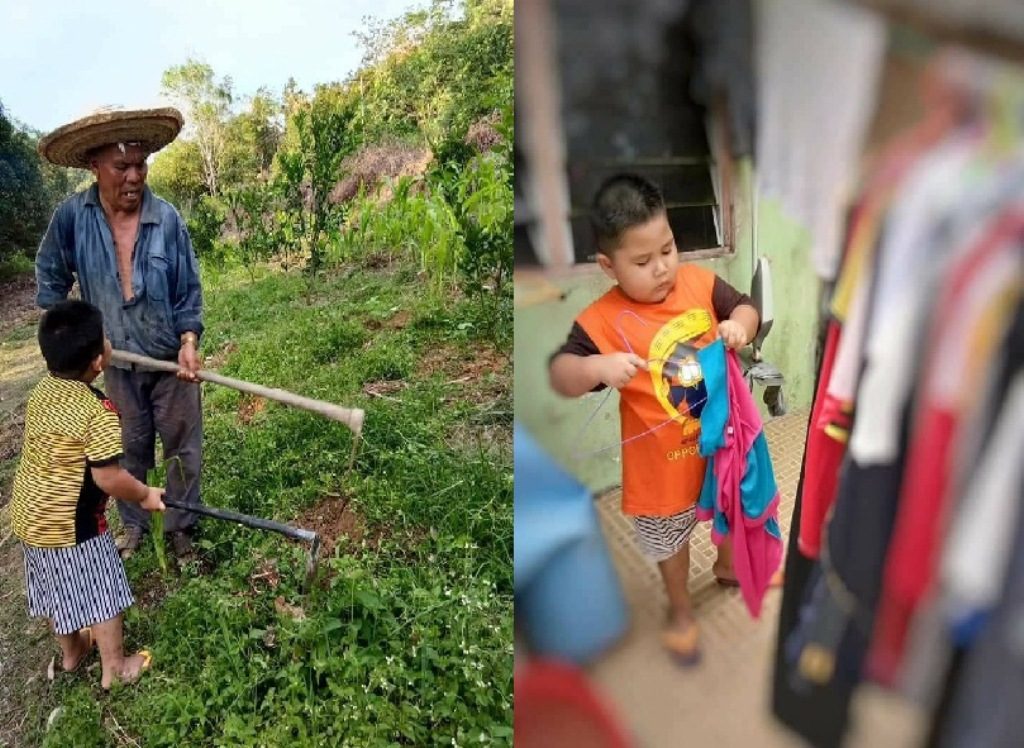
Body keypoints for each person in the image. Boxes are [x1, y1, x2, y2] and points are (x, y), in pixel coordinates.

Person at [549, 174, 764, 662]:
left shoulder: (700, 283)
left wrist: (739, 326)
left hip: (720, 448)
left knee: (733, 510)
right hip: (660, 472)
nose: (663, 268)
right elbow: (562, 374)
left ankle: (730, 568)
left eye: (668, 249)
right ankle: (681, 609)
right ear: (609, 265)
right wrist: (595, 366)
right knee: (672, 544)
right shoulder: (601, 321)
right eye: (643, 261)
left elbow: (747, 307)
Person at [35, 107, 204, 559]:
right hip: (115, 365)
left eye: (141, 165)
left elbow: (188, 290)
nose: (134, 177)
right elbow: (50, 274)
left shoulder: (166, 219)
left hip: (168, 360)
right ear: (95, 166)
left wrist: (189, 343)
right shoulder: (72, 217)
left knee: (182, 446)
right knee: (126, 448)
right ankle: (134, 527)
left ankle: (180, 526)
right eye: (122, 166)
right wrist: (70, 340)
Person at [10, 300, 166, 688]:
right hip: (73, 526)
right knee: (102, 591)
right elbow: (109, 478)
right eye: (106, 339)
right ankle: (115, 668)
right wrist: (145, 494)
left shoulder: (42, 392)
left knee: (53, 590)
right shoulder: (97, 411)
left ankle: (72, 653)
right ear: (99, 361)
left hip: (30, 517)